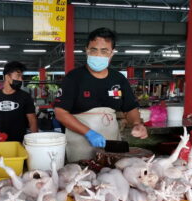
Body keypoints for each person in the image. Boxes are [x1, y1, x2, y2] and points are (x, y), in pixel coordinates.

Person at [54, 27, 148, 162]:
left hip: (111, 141)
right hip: (80, 142)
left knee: (111, 174)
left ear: (111, 54)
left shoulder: (118, 79)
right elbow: (60, 113)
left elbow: (130, 108)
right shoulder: (74, 78)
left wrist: (137, 123)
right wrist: (89, 133)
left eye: (104, 51)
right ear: (87, 50)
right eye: (93, 50)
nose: (98, 55)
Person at [0, 61, 38, 142]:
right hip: (0, 141)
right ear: (7, 77)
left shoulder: (25, 96)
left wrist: (35, 141)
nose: (21, 79)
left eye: (21, 76)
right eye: (18, 76)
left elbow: (32, 120)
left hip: (20, 142)